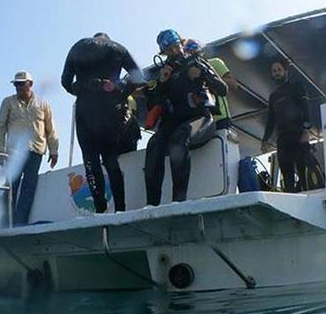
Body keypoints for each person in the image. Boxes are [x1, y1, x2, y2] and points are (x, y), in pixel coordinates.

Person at [144, 29, 229, 205]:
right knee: (153, 144)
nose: (173, 53)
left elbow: (223, 89)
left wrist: (203, 74)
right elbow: (151, 105)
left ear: (181, 44)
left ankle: (179, 201)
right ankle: (151, 204)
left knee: (179, 137)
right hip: (174, 122)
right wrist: (161, 82)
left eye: (175, 47)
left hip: (201, 119)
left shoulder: (196, 63)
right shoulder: (165, 72)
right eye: (168, 51)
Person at [61, 32, 143, 213]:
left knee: (90, 161)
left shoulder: (78, 46)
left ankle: (100, 207)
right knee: (110, 159)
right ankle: (120, 208)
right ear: (107, 39)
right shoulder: (118, 48)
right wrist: (118, 88)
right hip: (110, 111)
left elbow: (65, 82)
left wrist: (84, 87)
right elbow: (138, 77)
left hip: (86, 110)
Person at [0, 71, 59, 226]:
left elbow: (51, 129)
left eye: (21, 83)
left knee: (29, 189)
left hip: (35, 151)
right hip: (13, 152)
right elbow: (0, 127)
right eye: (16, 84)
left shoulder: (44, 104)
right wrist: (0, 149)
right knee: (11, 187)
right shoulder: (8, 102)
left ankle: (19, 223)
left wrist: (54, 150)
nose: (18, 87)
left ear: (30, 84)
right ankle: (6, 223)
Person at [262, 59, 312, 193]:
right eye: (274, 71)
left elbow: (306, 108)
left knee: (303, 172)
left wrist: (306, 131)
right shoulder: (273, 96)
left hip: (298, 135)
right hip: (283, 139)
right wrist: (265, 140)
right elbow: (271, 120)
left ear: (286, 71)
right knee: (287, 174)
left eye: (279, 70)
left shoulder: (297, 86)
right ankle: (291, 199)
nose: (276, 73)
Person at [185, 39, 239, 130]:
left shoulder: (215, 62)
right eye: (187, 49)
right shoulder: (186, 73)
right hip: (200, 120)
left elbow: (233, 84)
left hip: (221, 118)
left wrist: (209, 77)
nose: (192, 51)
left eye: (194, 47)